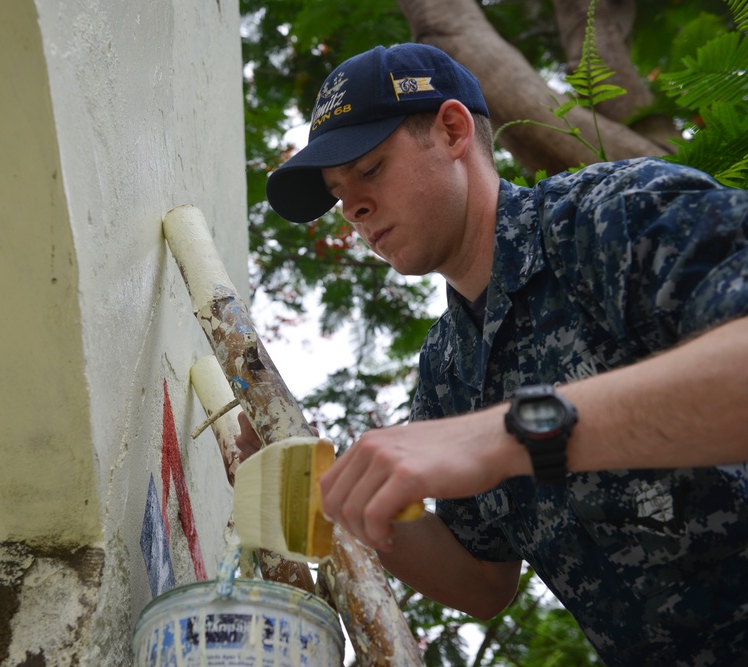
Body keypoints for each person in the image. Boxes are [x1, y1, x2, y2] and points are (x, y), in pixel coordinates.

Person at [238, 42, 748, 665]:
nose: (355, 210)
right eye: (339, 194)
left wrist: (504, 437)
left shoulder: (609, 215)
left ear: (452, 130)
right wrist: (329, 491)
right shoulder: (446, 370)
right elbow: (482, 583)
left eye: (370, 169)